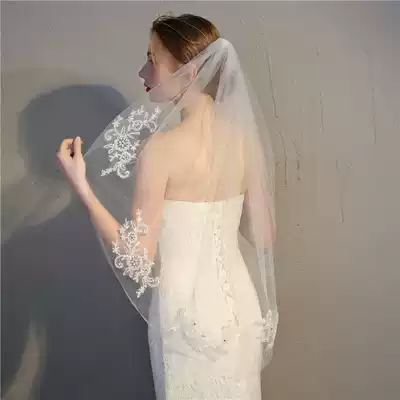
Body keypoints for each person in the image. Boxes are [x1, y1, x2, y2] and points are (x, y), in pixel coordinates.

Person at [57, 13, 278, 399]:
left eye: (152, 59)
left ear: (188, 73)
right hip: (240, 310)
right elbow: (263, 236)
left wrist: (83, 188)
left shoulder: (161, 149)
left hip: (185, 316)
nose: (143, 72)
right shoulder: (244, 139)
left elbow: (138, 259)